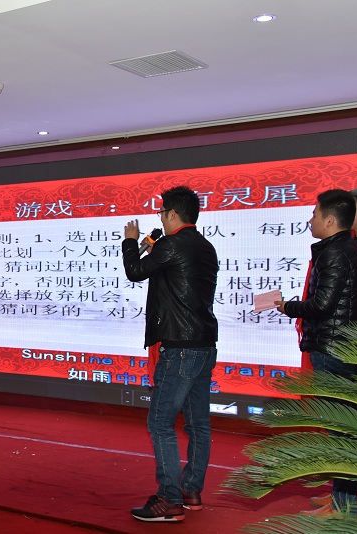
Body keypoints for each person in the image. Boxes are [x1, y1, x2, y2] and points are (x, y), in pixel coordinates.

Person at [122, 186, 219, 523]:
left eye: (162, 212)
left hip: (179, 348)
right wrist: (156, 250)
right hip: (204, 345)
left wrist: (131, 242)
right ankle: (191, 490)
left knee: (160, 422)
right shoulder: (205, 246)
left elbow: (134, 272)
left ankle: (169, 498)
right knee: (199, 425)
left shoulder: (171, 245)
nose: (160, 218)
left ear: (173, 214)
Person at [275, 189, 357, 517]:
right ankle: (341, 501)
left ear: (330, 220)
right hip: (343, 347)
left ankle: (343, 507)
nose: (310, 220)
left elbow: (322, 305)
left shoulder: (335, 252)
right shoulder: (352, 248)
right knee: (344, 429)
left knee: (342, 431)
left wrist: (287, 307)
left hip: (333, 349)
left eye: (315, 214)